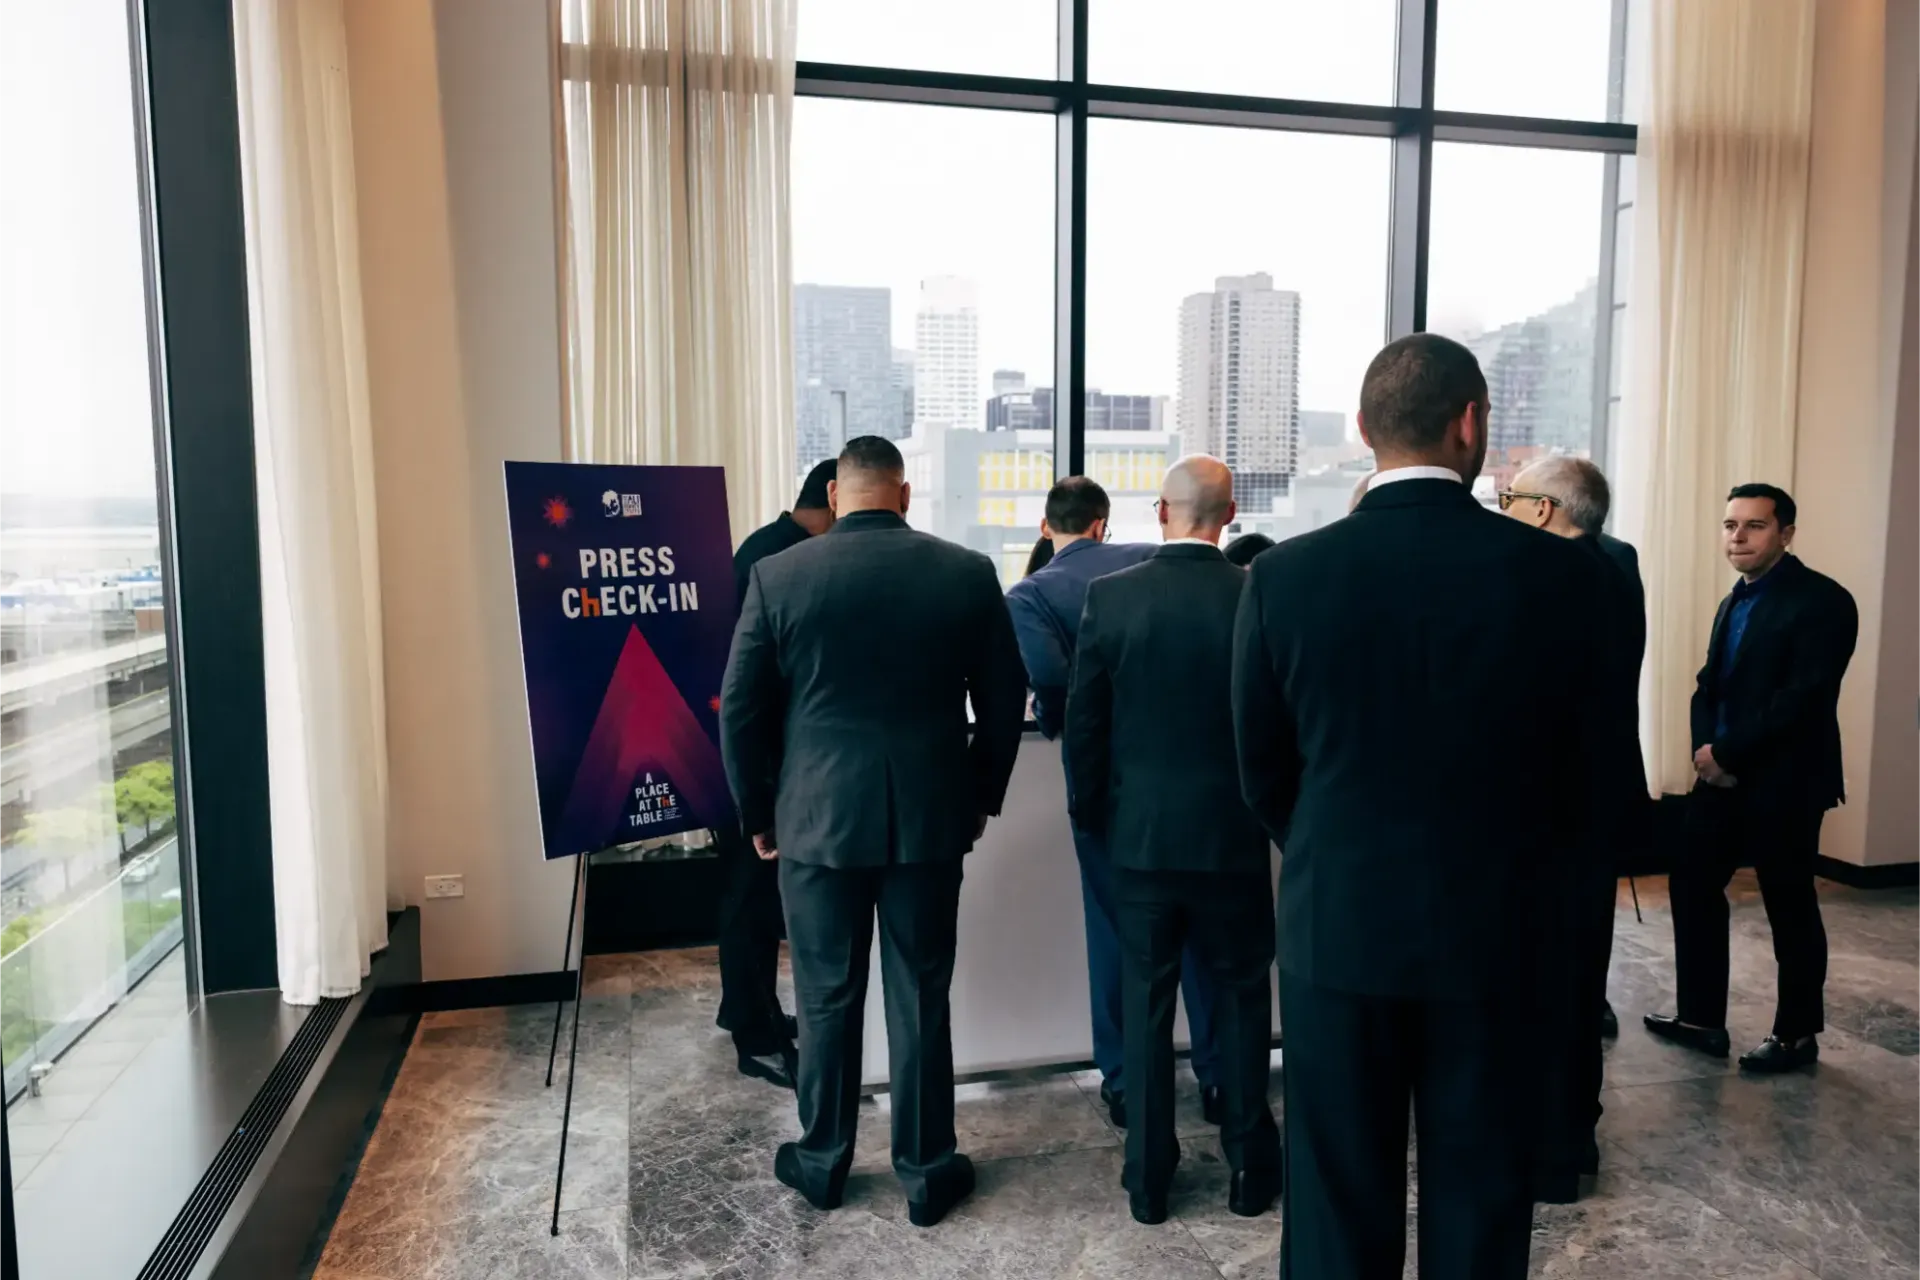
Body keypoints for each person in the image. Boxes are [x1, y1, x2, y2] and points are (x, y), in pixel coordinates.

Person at [1233, 333, 1608, 1280]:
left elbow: (1262, 769)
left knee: (1334, 1199)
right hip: (1497, 933)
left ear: (1362, 431)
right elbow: (1587, 771)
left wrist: (1329, 845)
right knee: (1482, 1195)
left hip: (1338, 925)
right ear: (1471, 423)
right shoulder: (1566, 577)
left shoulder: (1284, 577)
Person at [719, 436, 1027, 1227]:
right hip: (928, 820)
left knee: (825, 997)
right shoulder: (963, 571)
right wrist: (980, 797)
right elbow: (1004, 697)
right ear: (905, 492)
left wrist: (758, 815)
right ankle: (927, 1172)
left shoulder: (779, 574)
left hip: (815, 823)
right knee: (920, 994)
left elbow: (742, 711)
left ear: (836, 490)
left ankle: (822, 1162)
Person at [1067, 456, 1283, 1226]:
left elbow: (1085, 730)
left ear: (1161, 512)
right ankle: (1251, 1165)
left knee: (1147, 1004)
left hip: (1141, 841)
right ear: (1229, 515)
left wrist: (1094, 820)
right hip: (1232, 838)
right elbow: (1276, 726)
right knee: (1243, 999)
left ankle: (1149, 1178)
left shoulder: (1111, 598)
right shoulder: (1257, 593)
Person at [1004, 477, 1221, 1130]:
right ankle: (1217, 1079)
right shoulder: (1151, 565)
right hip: (1198, 783)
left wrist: (1052, 716)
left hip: (1105, 790)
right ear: (1103, 522)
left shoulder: (1033, 594)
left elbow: (1050, 682)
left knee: (1118, 935)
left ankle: (1129, 1084)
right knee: (1203, 942)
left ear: (1049, 527)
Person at [1645, 484, 1857, 1073]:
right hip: (1721, 776)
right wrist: (1704, 751)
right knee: (1691, 885)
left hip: (1785, 782)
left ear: (1786, 534)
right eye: (1730, 525)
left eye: (1754, 526)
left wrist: (1729, 754)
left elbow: (1802, 699)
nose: (1737, 537)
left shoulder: (1824, 601)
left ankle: (1796, 1036)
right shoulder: (1735, 600)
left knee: (1788, 903)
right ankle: (1701, 1019)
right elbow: (1707, 684)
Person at [1499, 456, 1648, 1201]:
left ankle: (1549, 1151)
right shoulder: (1618, 564)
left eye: (1512, 498)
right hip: (1600, 807)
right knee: (1579, 979)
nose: (1502, 509)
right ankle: (1573, 1137)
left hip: (1540, 813)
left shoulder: (1539, 579)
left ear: (1548, 509)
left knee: (1538, 990)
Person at [714, 458, 838, 1089]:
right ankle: (753, 1036)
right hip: (756, 761)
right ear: (834, 500)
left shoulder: (769, 546)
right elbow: (747, 681)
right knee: (751, 900)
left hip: (758, 754)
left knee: (755, 900)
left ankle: (748, 1010)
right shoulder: (780, 560)